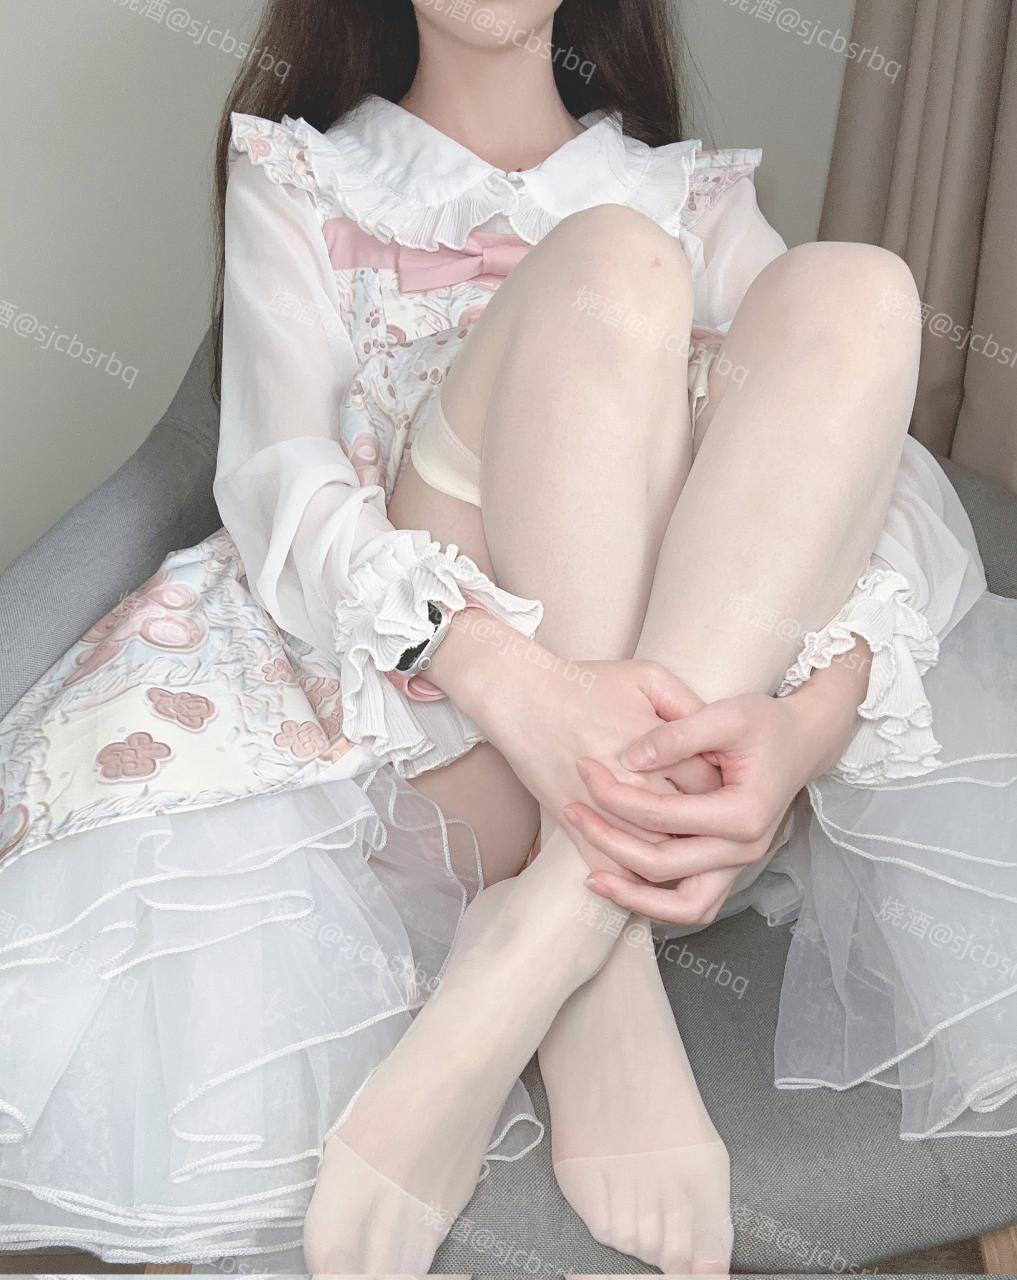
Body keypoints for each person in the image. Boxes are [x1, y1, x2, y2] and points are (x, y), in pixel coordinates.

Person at [2, 0, 1015, 1274]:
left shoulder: (695, 196)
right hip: (441, 736)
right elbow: (278, 482)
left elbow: (880, 487)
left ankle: (557, 931)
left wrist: (802, 729)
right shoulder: (302, 175)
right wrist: (523, 685)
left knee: (861, 289)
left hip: (689, 770)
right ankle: (593, 932)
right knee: (614, 265)